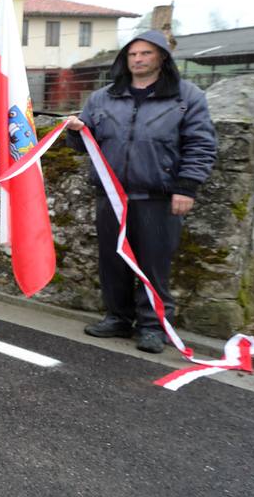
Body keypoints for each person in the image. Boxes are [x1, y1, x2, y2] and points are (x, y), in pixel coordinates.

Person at [66, 29, 217, 353]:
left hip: (157, 197)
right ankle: (118, 317)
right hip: (110, 195)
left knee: (153, 264)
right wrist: (76, 132)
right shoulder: (103, 97)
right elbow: (84, 145)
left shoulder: (186, 96)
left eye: (146, 53)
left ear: (162, 57)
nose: (138, 59)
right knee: (113, 261)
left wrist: (187, 186)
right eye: (132, 54)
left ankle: (152, 326)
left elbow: (201, 145)